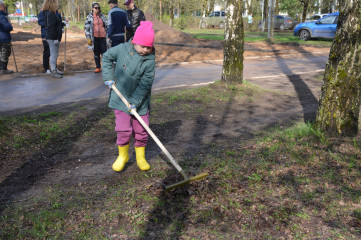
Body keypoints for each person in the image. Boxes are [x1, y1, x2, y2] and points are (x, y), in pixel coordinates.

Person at [102, 21, 155, 172]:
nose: (145, 50)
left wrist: (135, 102)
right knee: (123, 129)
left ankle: (140, 157)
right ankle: (123, 156)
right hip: (120, 97)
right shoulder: (122, 49)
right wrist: (108, 76)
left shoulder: (150, 61)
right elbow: (106, 57)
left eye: (148, 47)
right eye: (143, 46)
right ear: (134, 42)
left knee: (141, 130)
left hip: (140, 100)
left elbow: (145, 84)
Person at [84, 2, 108, 73]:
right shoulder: (89, 17)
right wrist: (88, 37)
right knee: (96, 53)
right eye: (96, 8)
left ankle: (105, 67)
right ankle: (98, 67)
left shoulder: (102, 16)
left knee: (104, 53)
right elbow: (86, 28)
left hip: (103, 37)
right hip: (95, 38)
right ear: (92, 8)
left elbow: (108, 25)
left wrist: (108, 35)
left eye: (98, 8)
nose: (97, 9)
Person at [43, 0, 64, 78]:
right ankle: (53, 71)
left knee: (55, 54)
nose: (57, 5)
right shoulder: (50, 14)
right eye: (56, 4)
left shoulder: (51, 14)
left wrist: (62, 24)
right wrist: (56, 38)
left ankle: (54, 69)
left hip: (53, 37)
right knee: (53, 54)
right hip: (52, 37)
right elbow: (51, 27)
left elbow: (55, 24)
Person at [38, 9, 61, 74]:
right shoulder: (43, 12)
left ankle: (54, 68)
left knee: (55, 52)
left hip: (55, 35)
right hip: (46, 35)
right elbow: (40, 22)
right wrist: (50, 23)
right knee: (47, 52)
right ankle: (47, 68)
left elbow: (59, 22)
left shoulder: (56, 12)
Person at [0, 0, 14, 74]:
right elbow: (7, 27)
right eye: (3, 6)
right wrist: (10, 25)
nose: (4, 7)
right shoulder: (2, 16)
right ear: (1, 7)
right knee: (5, 53)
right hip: (4, 38)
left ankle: (1, 68)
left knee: (1, 53)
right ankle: (3, 69)